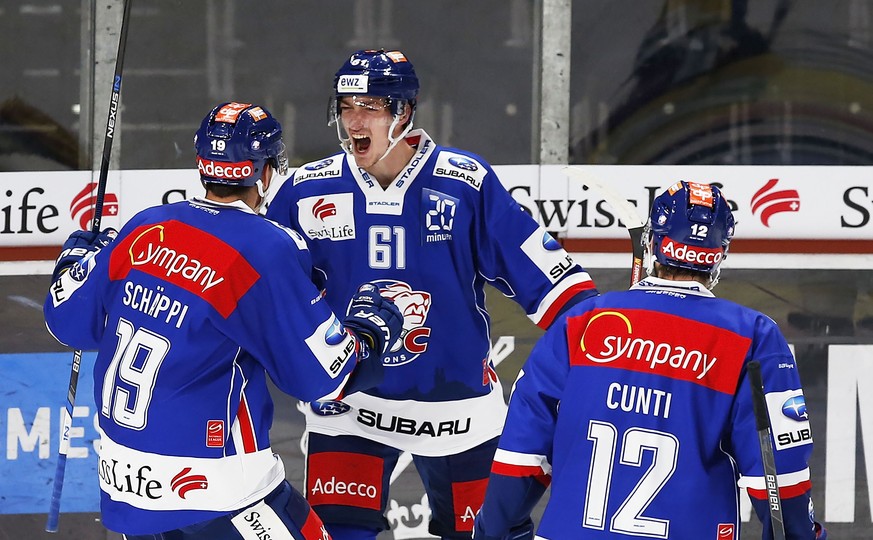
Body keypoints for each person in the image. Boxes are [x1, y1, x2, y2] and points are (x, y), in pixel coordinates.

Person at [265, 49, 599, 540]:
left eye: (369, 107)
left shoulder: (465, 183)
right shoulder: (304, 190)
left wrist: (608, 345)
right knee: (338, 533)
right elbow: (259, 289)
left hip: (458, 414)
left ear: (403, 112)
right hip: (349, 409)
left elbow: (554, 282)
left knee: (491, 534)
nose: (353, 121)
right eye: (346, 106)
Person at [43, 101, 404, 539]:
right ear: (264, 172)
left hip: (125, 490)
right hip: (221, 489)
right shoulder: (265, 248)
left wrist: (75, 260)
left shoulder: (144, 228)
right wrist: (371, 332)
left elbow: (66, 321)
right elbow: (324, 380)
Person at [473, 181, 827, 539]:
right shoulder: (752, 336)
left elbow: (520, 457)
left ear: (653, 242)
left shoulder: (580, 323)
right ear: (719, 254)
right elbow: (779, 478)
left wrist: (493, 533)